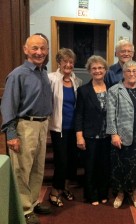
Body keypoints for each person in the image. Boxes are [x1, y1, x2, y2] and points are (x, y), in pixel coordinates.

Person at [1, 34, 52, 224]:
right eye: (35, 48)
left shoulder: (42, 72)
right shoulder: (18, 74)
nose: (39, 52)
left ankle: (33, 201)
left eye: (43, 48)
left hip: (41, 125)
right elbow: (7, 106)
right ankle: (24, 208)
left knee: (37, 168)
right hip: (25, 126)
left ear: (47, 50)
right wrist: (11, 134)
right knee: (22, 168)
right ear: (26, 49)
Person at [106, 60, 136, 209]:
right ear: (123, 73)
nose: (132, 74)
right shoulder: (115, 90)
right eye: (128, 71)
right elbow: (110, 115)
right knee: (121, 164)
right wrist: (114, 134)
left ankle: (134, 193)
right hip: (123, 134)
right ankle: (120, 193)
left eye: (135, 71)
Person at [47, 48, 82, 207]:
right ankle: (54, 191)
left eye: (71, 62)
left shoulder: (76, 80)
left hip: (73, 128)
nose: (68, 64)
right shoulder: (51, 79)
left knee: (72, 161)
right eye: (65, 61)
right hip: (58, 128)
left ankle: (65, 187)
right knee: (61, 161)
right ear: (59, 62)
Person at [75, 55, 111, 206]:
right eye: (94, 68)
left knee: (104, 166)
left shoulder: (112, 88)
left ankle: (103, 193)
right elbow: (79, 114)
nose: (97, 71)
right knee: (90, 167)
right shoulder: (83, 90)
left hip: (107, 135)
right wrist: (79, 136)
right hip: (90, 135)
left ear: (105, 70)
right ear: (89, 71)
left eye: (100, 68)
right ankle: (91, 195)